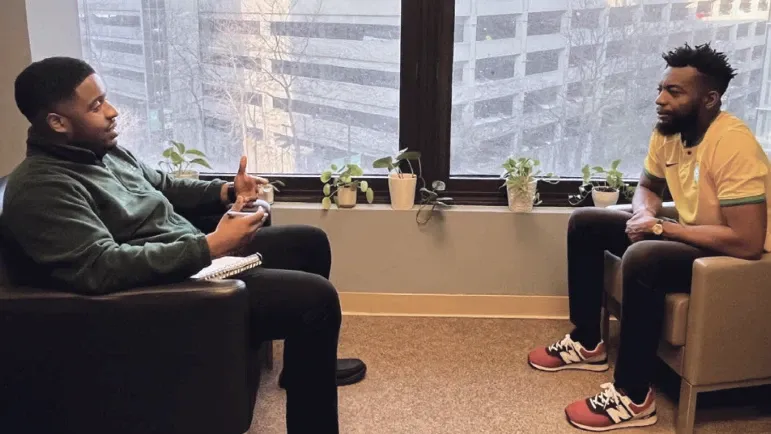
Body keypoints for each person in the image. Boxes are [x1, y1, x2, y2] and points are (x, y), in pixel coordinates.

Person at [1, 56, 367, 433]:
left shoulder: (102, 151)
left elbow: (164, 185)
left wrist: (226, 191)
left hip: (190, 257)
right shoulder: (42, 189)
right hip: (167, 291)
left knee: (309, 244)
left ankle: (304, 369)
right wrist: (210, 247)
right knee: (315, 299)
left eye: (105, 99)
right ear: (57, 122)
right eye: (96, 106)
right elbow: (99, 268)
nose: (112, 112)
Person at [528, 43, 770, 431]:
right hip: (697, 238)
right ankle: (588, 342)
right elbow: (647, 186)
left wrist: (661, 227)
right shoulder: (668, 134)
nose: (660, 99)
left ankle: (634, 396)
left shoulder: (732, 144)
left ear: (710, 99)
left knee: (645, 257)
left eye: (674, 92)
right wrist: (644, 212)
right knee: (586, 222)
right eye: (661, 89)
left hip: (736, 259)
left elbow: (748, 240)